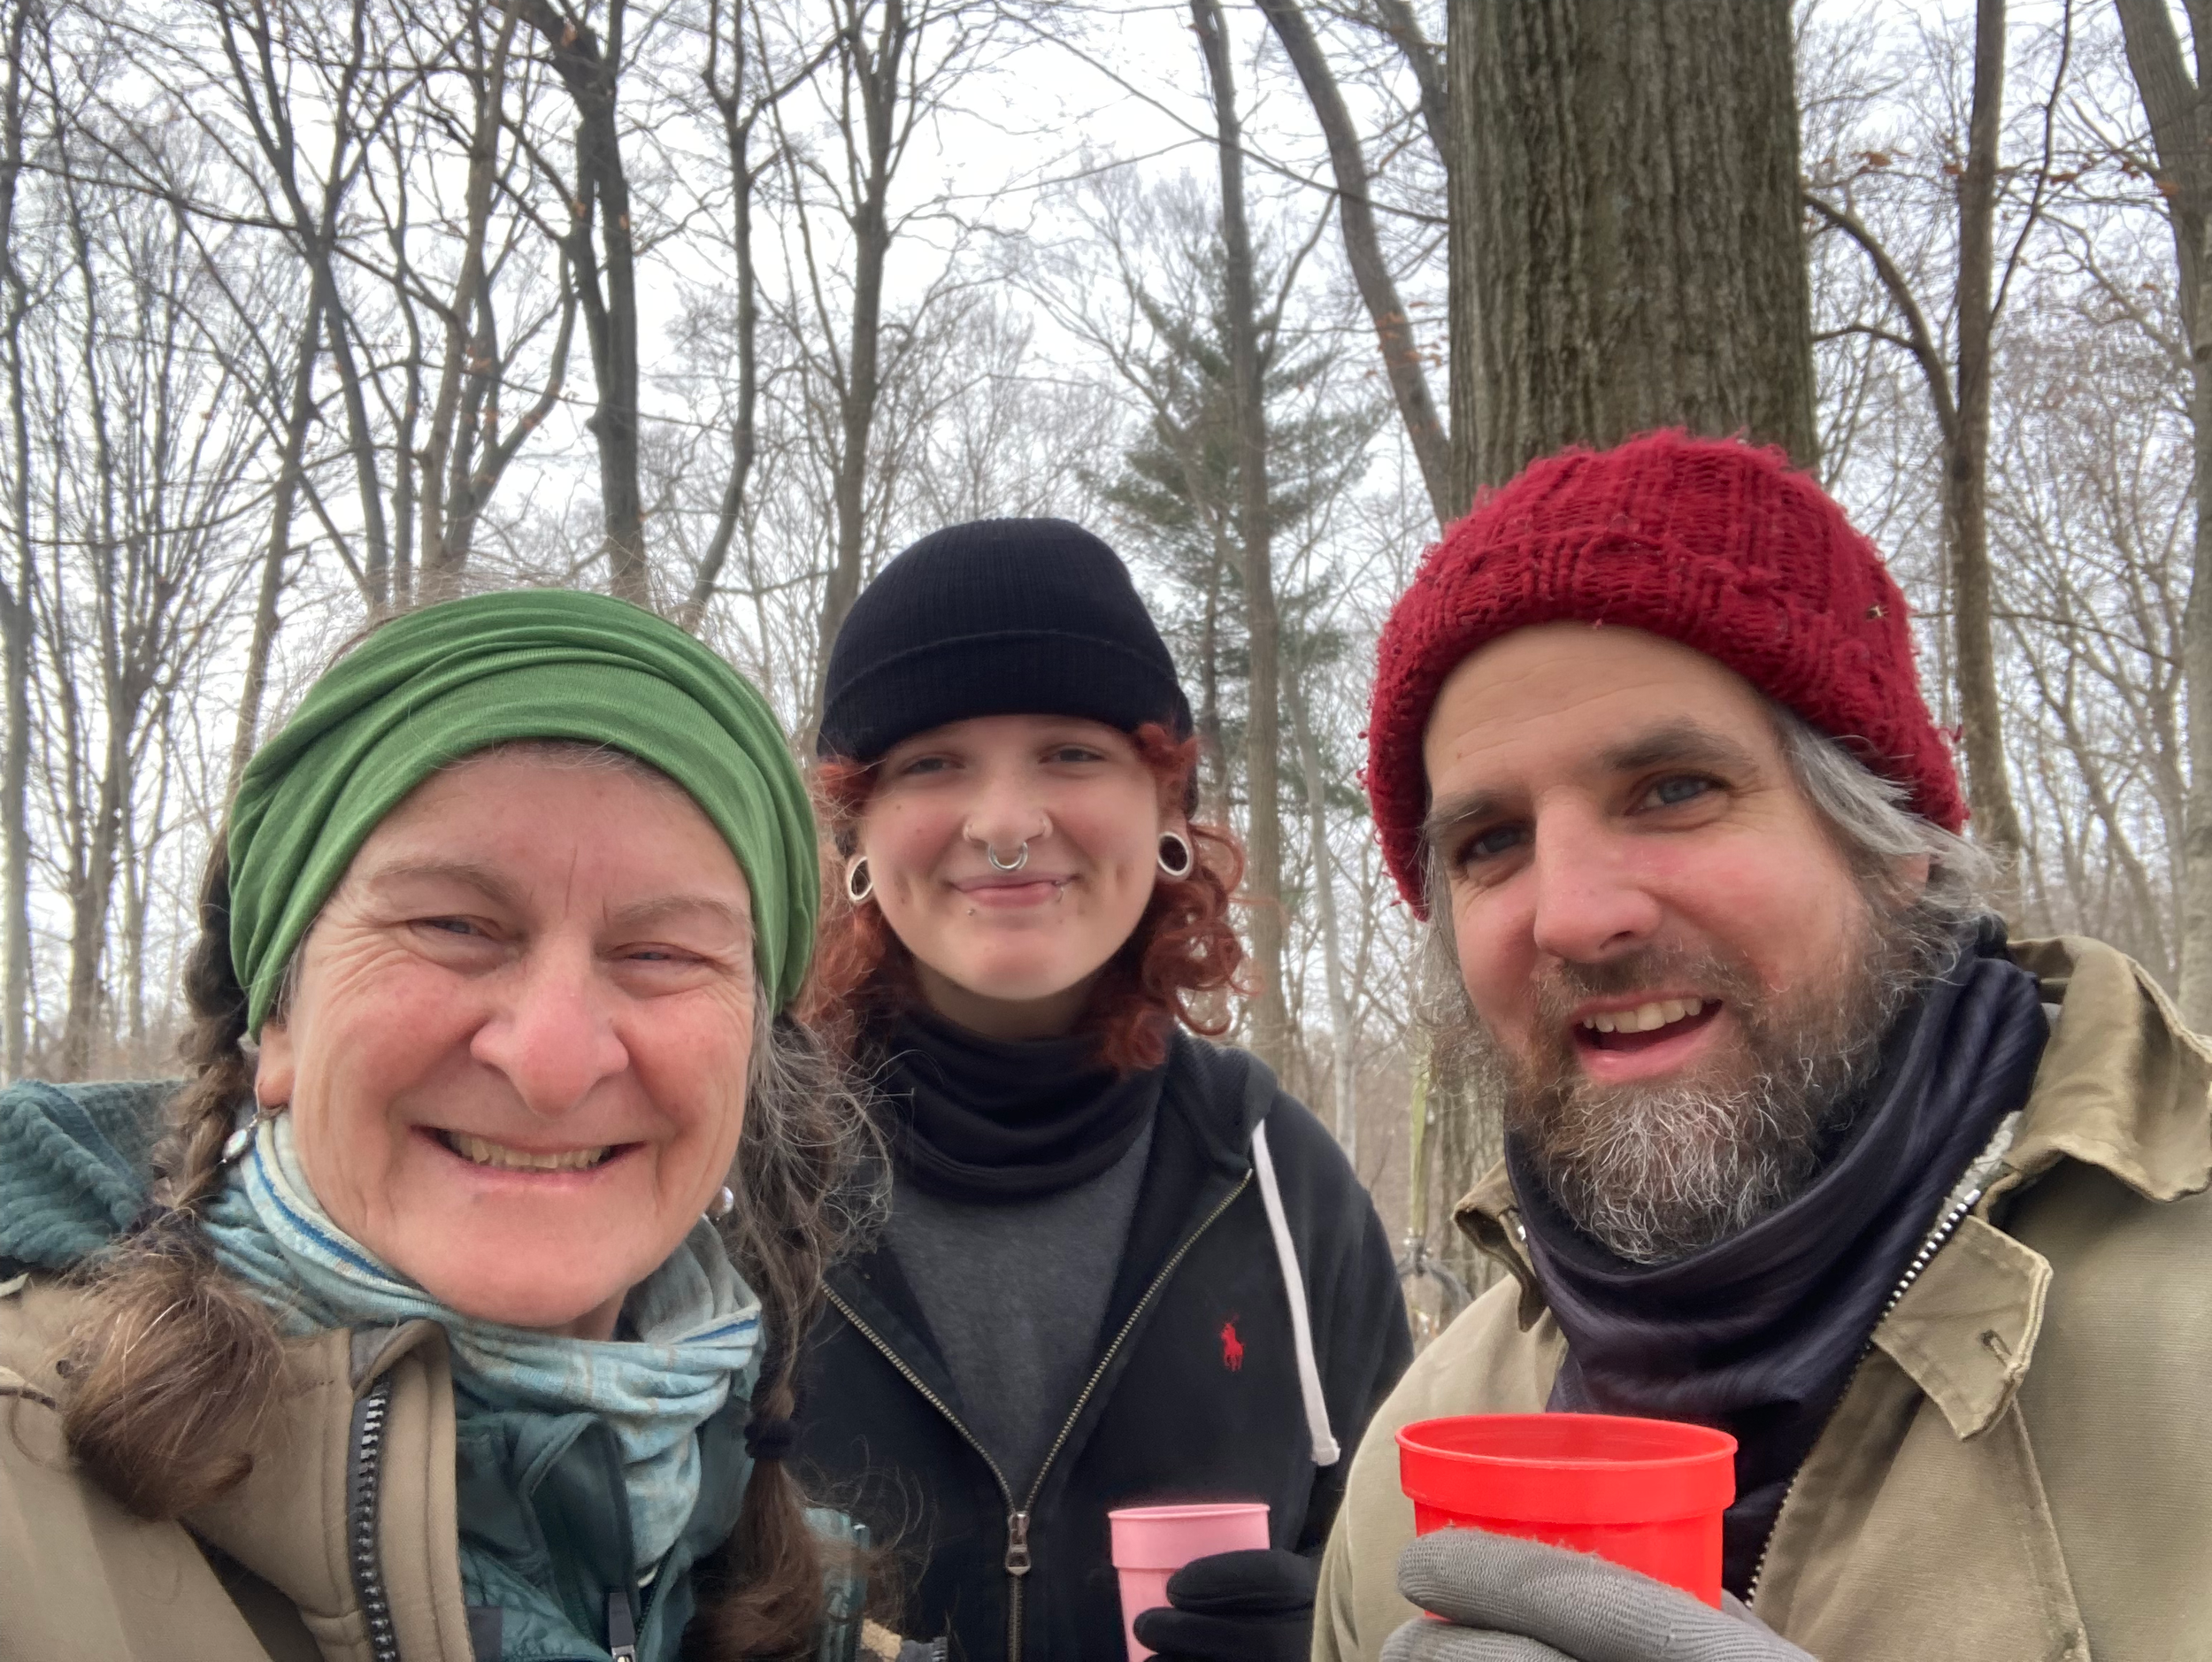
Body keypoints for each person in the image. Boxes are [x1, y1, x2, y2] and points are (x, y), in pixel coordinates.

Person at [1313, 431, 2212, 1662]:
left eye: (1674, 788)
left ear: (1890, 836)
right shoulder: (1430, 1442)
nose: (1575, 911)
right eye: (1490, 842)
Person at [0, 589, 878, 1661]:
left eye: (662, 955)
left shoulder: (767, 1578)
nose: (551, 1063)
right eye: (453, 926)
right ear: (276, 1020)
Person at [790, 519, 1411, 1662]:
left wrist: (1337, 1640)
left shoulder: (1281, 1181)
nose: (1009, 825)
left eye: (1072, 752)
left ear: (1168, 812)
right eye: (932, 762)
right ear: (856, 836)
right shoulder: (736, 1177)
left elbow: (1410, 1586)